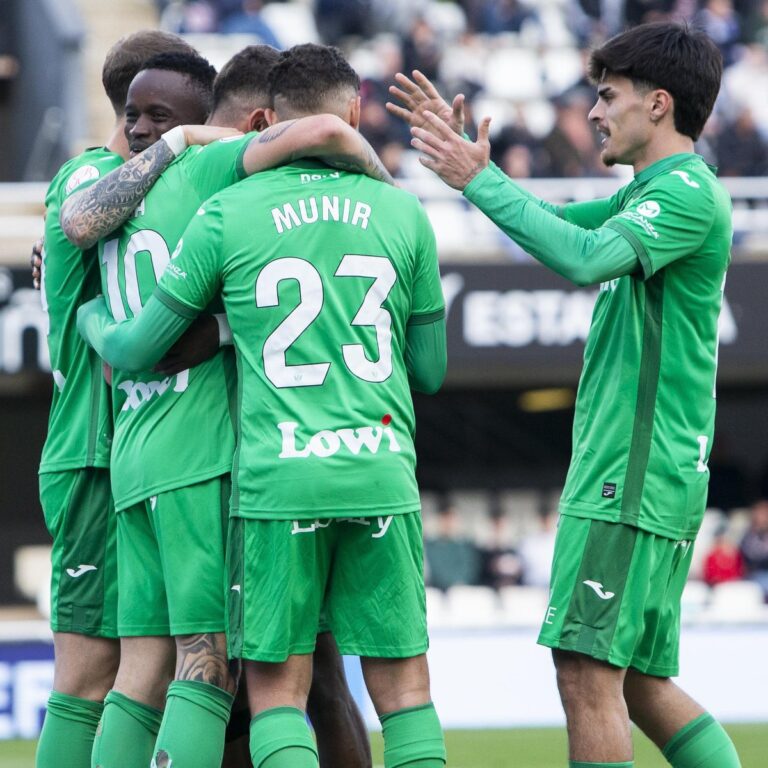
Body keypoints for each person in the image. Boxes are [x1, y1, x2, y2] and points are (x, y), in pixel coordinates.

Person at [76, 42, 448, 768]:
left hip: (275, 481)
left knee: (279, 695)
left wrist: (102, 316)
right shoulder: (404, 215)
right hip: (380, 470)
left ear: (264, 121)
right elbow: (428, 371)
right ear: (355, 110)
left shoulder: (226, 212)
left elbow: (143, 347)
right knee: (404, 693)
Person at [388, 21, 741, 768]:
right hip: (648, 471)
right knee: (640, 682)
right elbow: (551, 230)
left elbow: (581, 260)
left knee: (585, 671)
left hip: (632, 470)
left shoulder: (683, 194)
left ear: (659, 104)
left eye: (607, 96)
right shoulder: (655, 192)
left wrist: (478, 180)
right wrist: (474, 171)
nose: (593, 113)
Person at [35, 30, 198, 768]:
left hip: (140, 453)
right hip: (94, 453)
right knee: (88, 677)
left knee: (156, 672)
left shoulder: (147, 192)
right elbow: (78, 219)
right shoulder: (90, 178)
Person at [739, 499, 768, 599]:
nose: (762, 518)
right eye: (760, 514)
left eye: (765, 514)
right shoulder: (749, 535)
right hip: (755, 575)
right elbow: (751, 555)